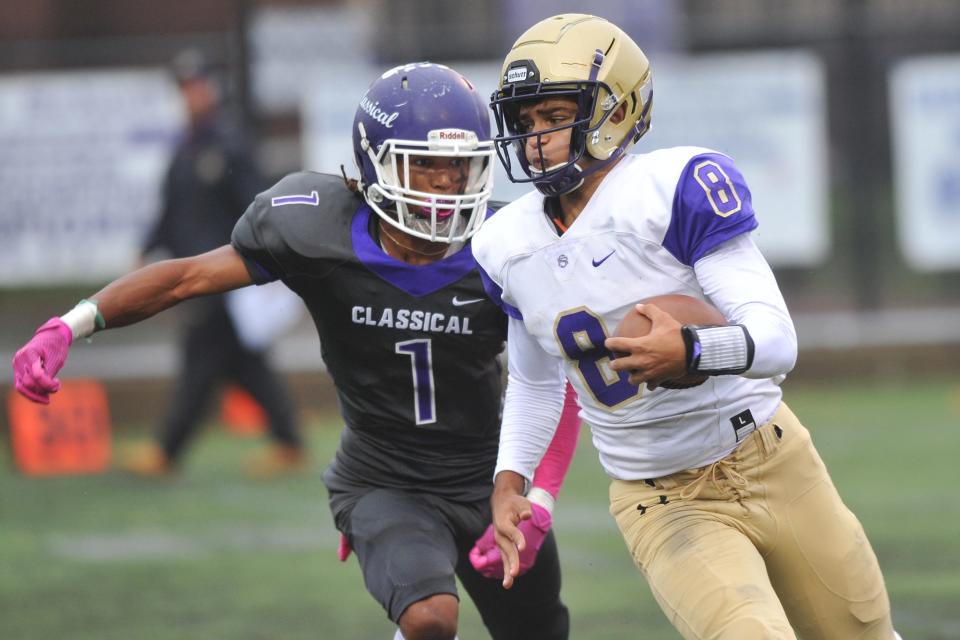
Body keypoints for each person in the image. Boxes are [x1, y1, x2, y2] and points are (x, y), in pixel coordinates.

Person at [12, 61, 579, 640]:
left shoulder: (507, 245)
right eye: (424, 163)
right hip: (384, 479)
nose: (443, 184)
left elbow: (556, 382)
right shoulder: (317, 227)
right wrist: (71, 323)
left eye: (459, 168)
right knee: (430, 619)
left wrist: (539, 499)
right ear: (372, 164)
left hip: (490, 474)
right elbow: (186, 278)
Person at [472, 13, 902, 640]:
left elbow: (777, 340)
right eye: (527, 122)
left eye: (556, 116)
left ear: (614, 110)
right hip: (662, 497)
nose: (537, 139)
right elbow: (538, 385)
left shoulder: (672, 189)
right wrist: (509, 482)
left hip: (772, 458)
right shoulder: (504, 244)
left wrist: (692, 351)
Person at [124, 49, 305, 478]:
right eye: (184, 88)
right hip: (191, 270)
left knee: (201, 362)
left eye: (196, 86)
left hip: (224, 272)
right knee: (244, 363)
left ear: (211, 89)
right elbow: (171, 211)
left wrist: (267, 257)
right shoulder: (186, 148)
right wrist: (146, 249)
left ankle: (167, 451)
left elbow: (256, 203)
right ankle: (289, 442)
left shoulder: (229, 144)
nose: (190, 96)